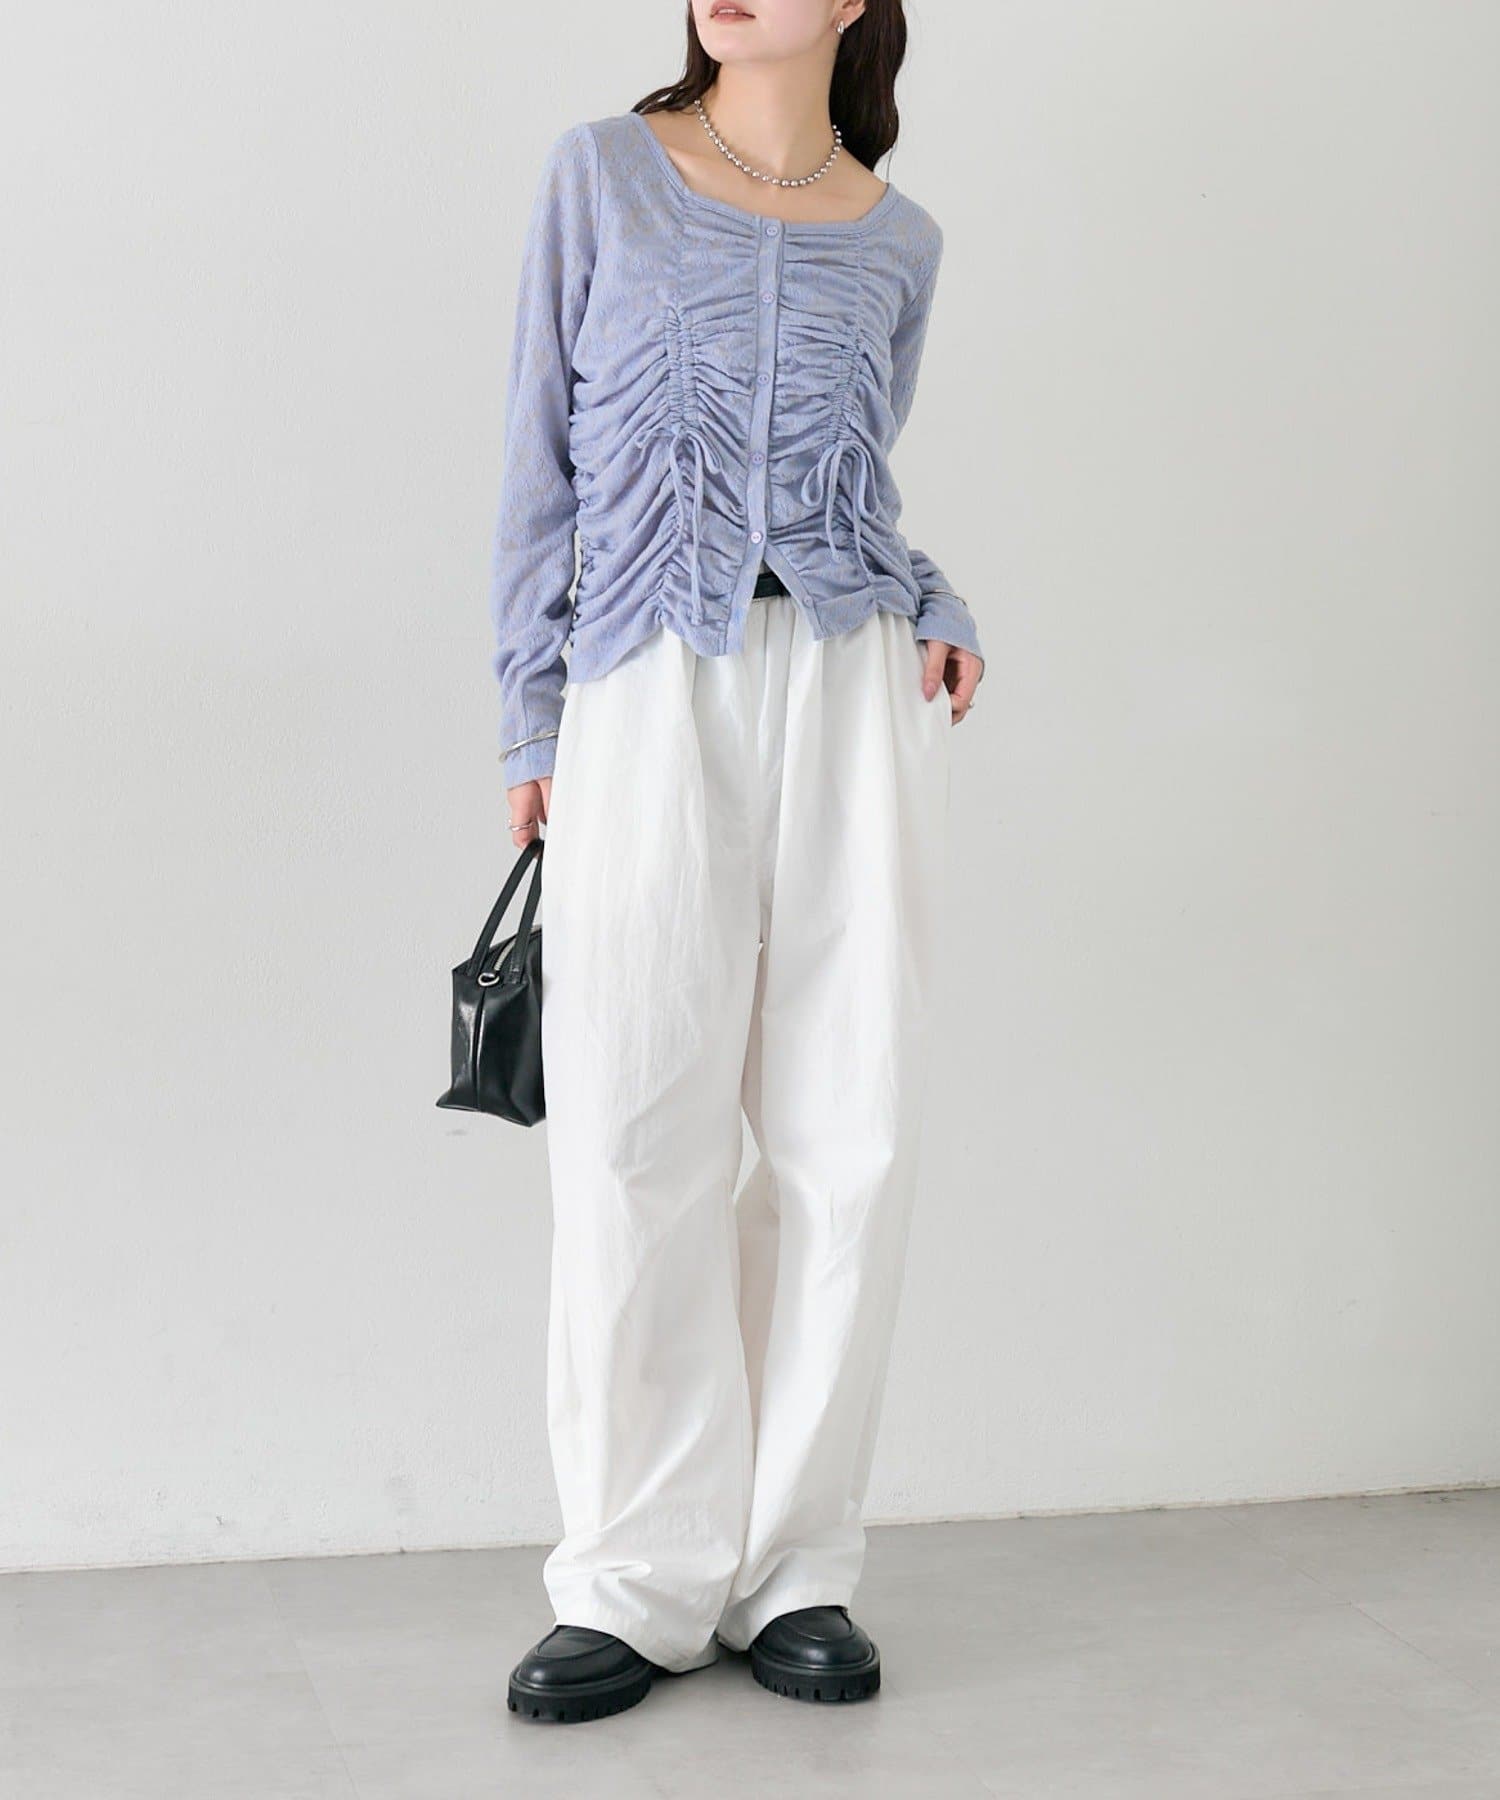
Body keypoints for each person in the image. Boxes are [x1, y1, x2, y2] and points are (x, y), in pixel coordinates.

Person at [490, 1, 984, 1725]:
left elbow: (857, 489)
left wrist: (935, 599)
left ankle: (797, 1567)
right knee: (635, 1127)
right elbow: (539, 456)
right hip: (642, 675)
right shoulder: (603, 177)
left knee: (851, 1128)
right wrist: (529, 715)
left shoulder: (899, 239)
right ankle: (635, 1574)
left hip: (850, 684)